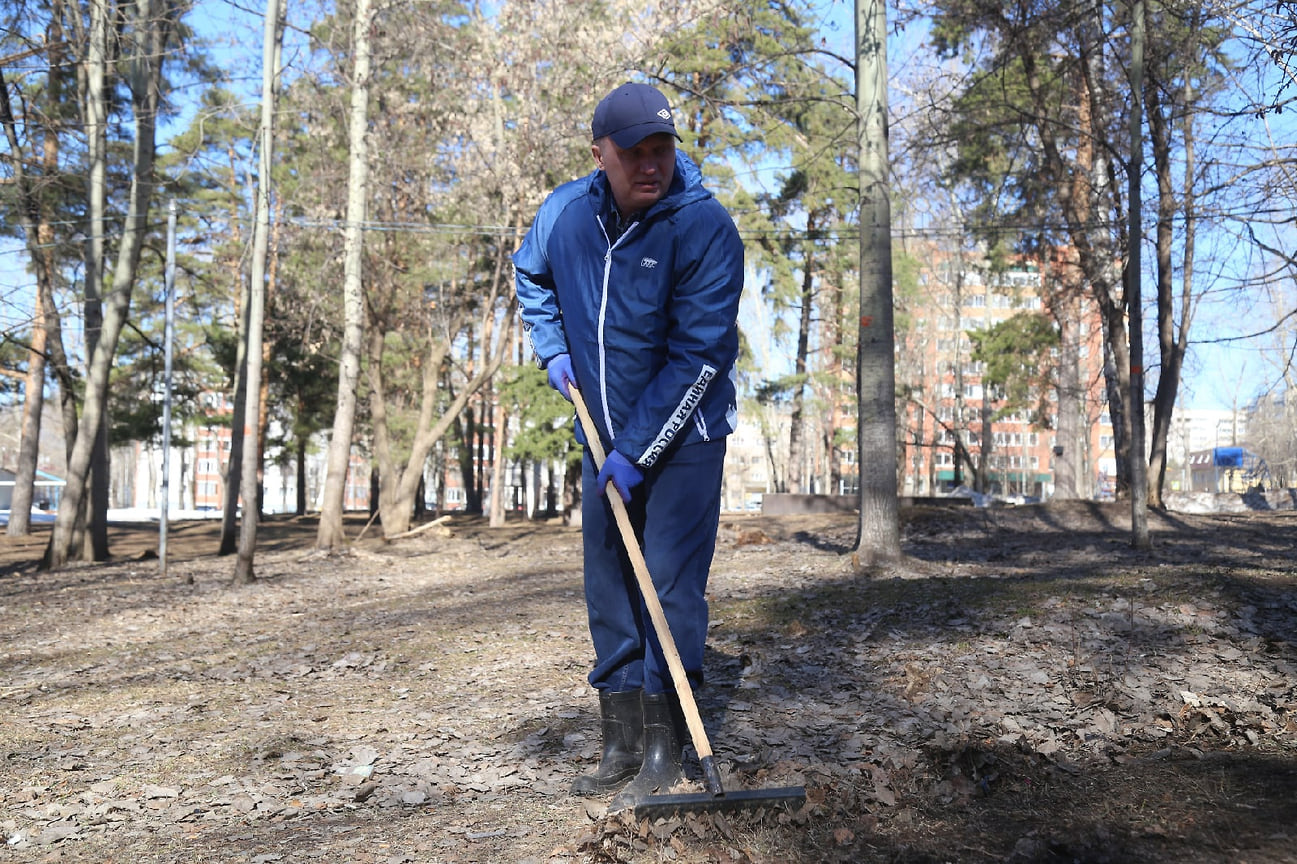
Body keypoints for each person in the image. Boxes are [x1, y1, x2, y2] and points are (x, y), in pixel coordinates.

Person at [513, 81, 744, 811]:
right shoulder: (566, 215)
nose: (651, 165)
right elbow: (530, 273)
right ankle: (618, 738)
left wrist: (639, 451)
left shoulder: (703, 229)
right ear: (599, 155)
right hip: (600, 433)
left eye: (662, 149)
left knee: (668, 587)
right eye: (634, 152)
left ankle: (663, 744)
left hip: (685, 440)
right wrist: (551, 349)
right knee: (610, 586)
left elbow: (699, 355)